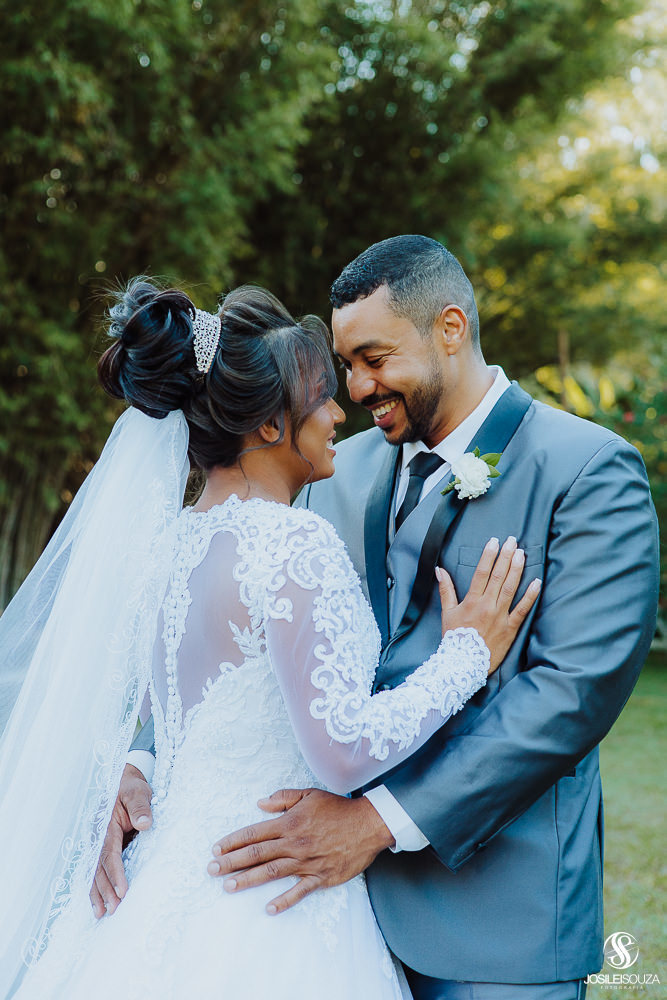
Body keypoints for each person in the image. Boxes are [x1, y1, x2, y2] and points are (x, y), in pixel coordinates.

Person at [0, 279, 539, 999]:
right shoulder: (290, 544)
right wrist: (464, 657)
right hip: (270, 897)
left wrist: (132, 765)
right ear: (268, 427)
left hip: (164, 880)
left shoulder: (165, 549)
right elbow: (342, 753)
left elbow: (174, 716)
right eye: (318, 395)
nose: (336, 409)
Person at [163, 237, 657, 1000]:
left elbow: (574, 692)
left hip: (494, 923)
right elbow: (235, 636)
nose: (356, 386)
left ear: (450, 329)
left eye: (374, 358)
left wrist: (374, 824)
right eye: (345, 365)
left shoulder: (587, 469)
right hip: (323, 920)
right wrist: (136, 767)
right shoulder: (335, 471)